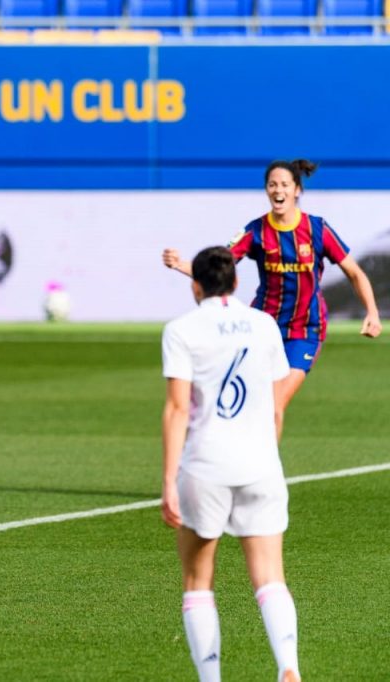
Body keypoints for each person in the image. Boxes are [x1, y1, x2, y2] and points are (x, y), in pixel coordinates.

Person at [161, 246, 300, 682]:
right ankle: (288, 667)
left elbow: (178, 409)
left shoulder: (182, 329)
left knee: (198, 582)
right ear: (237, 283)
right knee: (270, 577)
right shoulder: (264, 325)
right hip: (261, 464)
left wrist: (168, 481)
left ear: (194, 285)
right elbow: (277, 408)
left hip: (205, 467)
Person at [162, 159, 381, 430]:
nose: (279, 190)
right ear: (267, 190)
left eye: (285, 185)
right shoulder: (256, 231)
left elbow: (355, 273)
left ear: (297, 190)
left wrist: (372, 312)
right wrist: (180, 264)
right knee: (252, 402)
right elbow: (217, 268)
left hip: (305, 330)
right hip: (263, 328)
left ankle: (267, 472)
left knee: (274, 405)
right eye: (272, 184)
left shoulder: (317, 229)